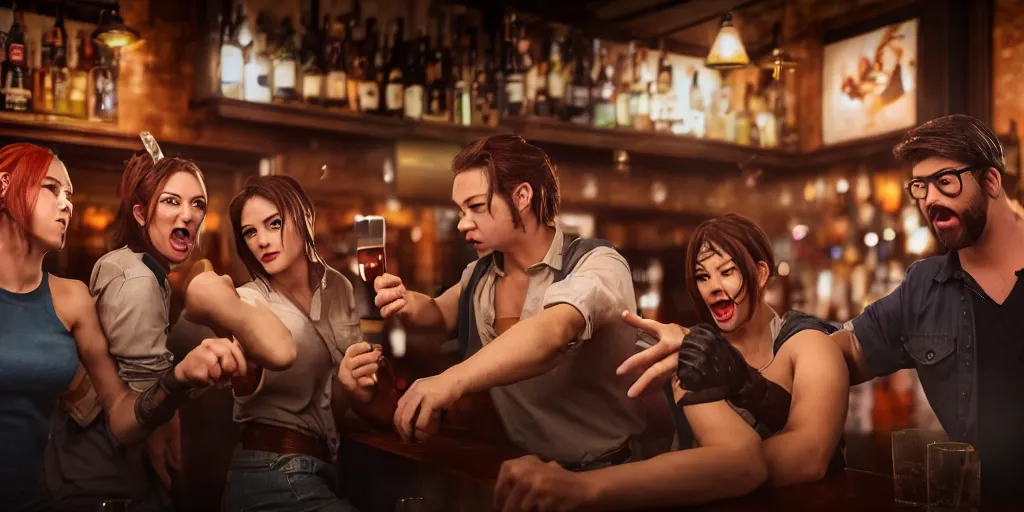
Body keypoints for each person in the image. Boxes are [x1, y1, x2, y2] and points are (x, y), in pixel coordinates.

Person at [492, 214, 849, 510]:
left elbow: (808, 456)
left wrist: (689, 478)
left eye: (727, 272)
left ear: (759, 274)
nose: (713, 287)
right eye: (703, 276)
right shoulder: (689, 348)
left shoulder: (810, 344)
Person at [341, 135, 647, 467]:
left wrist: (449, 383)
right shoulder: (479, 275)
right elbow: (440, 313)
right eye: (460, 210)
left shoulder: (597, 263)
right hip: (516, 470)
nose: (462, 223)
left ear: (522, 197)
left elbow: (551, 334)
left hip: (603, 473)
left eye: (475, 206)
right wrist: (405, 301)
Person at [45, 135, 293, 511]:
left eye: (197, 204)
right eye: (171, 201)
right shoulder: (139, 279)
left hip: (90, 474)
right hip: (107, 484)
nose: (188, 214)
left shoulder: (131, 266)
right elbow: (146, 399)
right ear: (141, 213)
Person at [0, 143, 246, 511]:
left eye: (69, 193)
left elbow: (120, 415)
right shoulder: (133, 276)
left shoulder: (73, 298)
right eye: (51, 188)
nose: (66, 203)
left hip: (47, 497)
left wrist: (177, 380)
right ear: (4, 185)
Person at [829, 115, 1024, 504]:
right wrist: (745, 353)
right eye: (920, 187)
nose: (930, 199)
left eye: (944, 181)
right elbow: (846, 348)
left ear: (990, 181)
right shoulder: (924, 288)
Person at [211, 175, 361, 512]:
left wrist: (353, 384)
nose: (262, 241)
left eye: (273, 223)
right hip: (269, 474)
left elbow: (328, 406)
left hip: (324, 469)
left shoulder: (338, 288)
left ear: (306, 215)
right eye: (250, 232)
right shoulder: (248, 301)